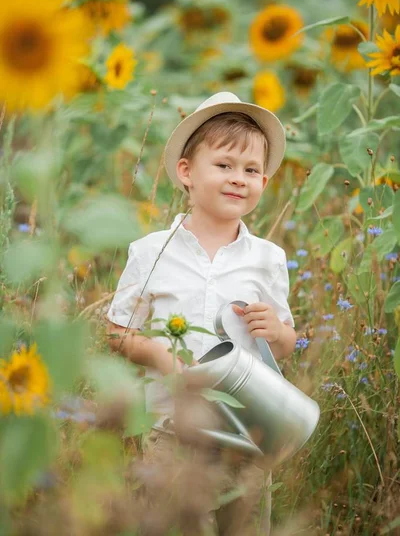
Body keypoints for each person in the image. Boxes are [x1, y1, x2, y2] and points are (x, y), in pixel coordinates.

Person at [106, 91, 297, 535]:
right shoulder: (152, 251)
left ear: (264, 184)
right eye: (225, 165)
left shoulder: (267, 258)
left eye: (251, 170)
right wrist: (159, 357)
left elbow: (285, 344)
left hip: (245, 433)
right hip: (171, 429)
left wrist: (277, 331)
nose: (238, 179)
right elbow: (117, 332)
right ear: (186, 172)